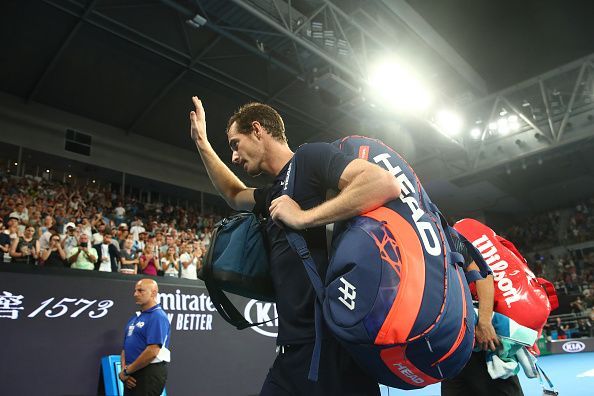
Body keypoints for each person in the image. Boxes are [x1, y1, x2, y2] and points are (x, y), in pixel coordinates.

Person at [189, 97, 400, 395]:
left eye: (236, 144)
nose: (234, 157)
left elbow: (383, 183)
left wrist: (303, 217)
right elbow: (234, 195)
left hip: (331, 351)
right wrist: (201, 142)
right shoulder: (274, 191)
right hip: (292, 350)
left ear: (258, 130)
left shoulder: (309, 158)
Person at [440, 234, 524, 396]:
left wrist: (484, 323)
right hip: (450, 348)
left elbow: (484, 275)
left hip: (479, 338)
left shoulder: (446, 238)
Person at [119, 279, 171, 395]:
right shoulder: (135, 318)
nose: (135, 294)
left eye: (140, 290)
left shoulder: (158, 316)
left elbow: (152, 351)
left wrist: (127, 371)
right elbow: (125, 348)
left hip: (148, 373)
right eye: (135, 290)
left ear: (153, 293)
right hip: (131, 373)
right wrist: (124, 372)